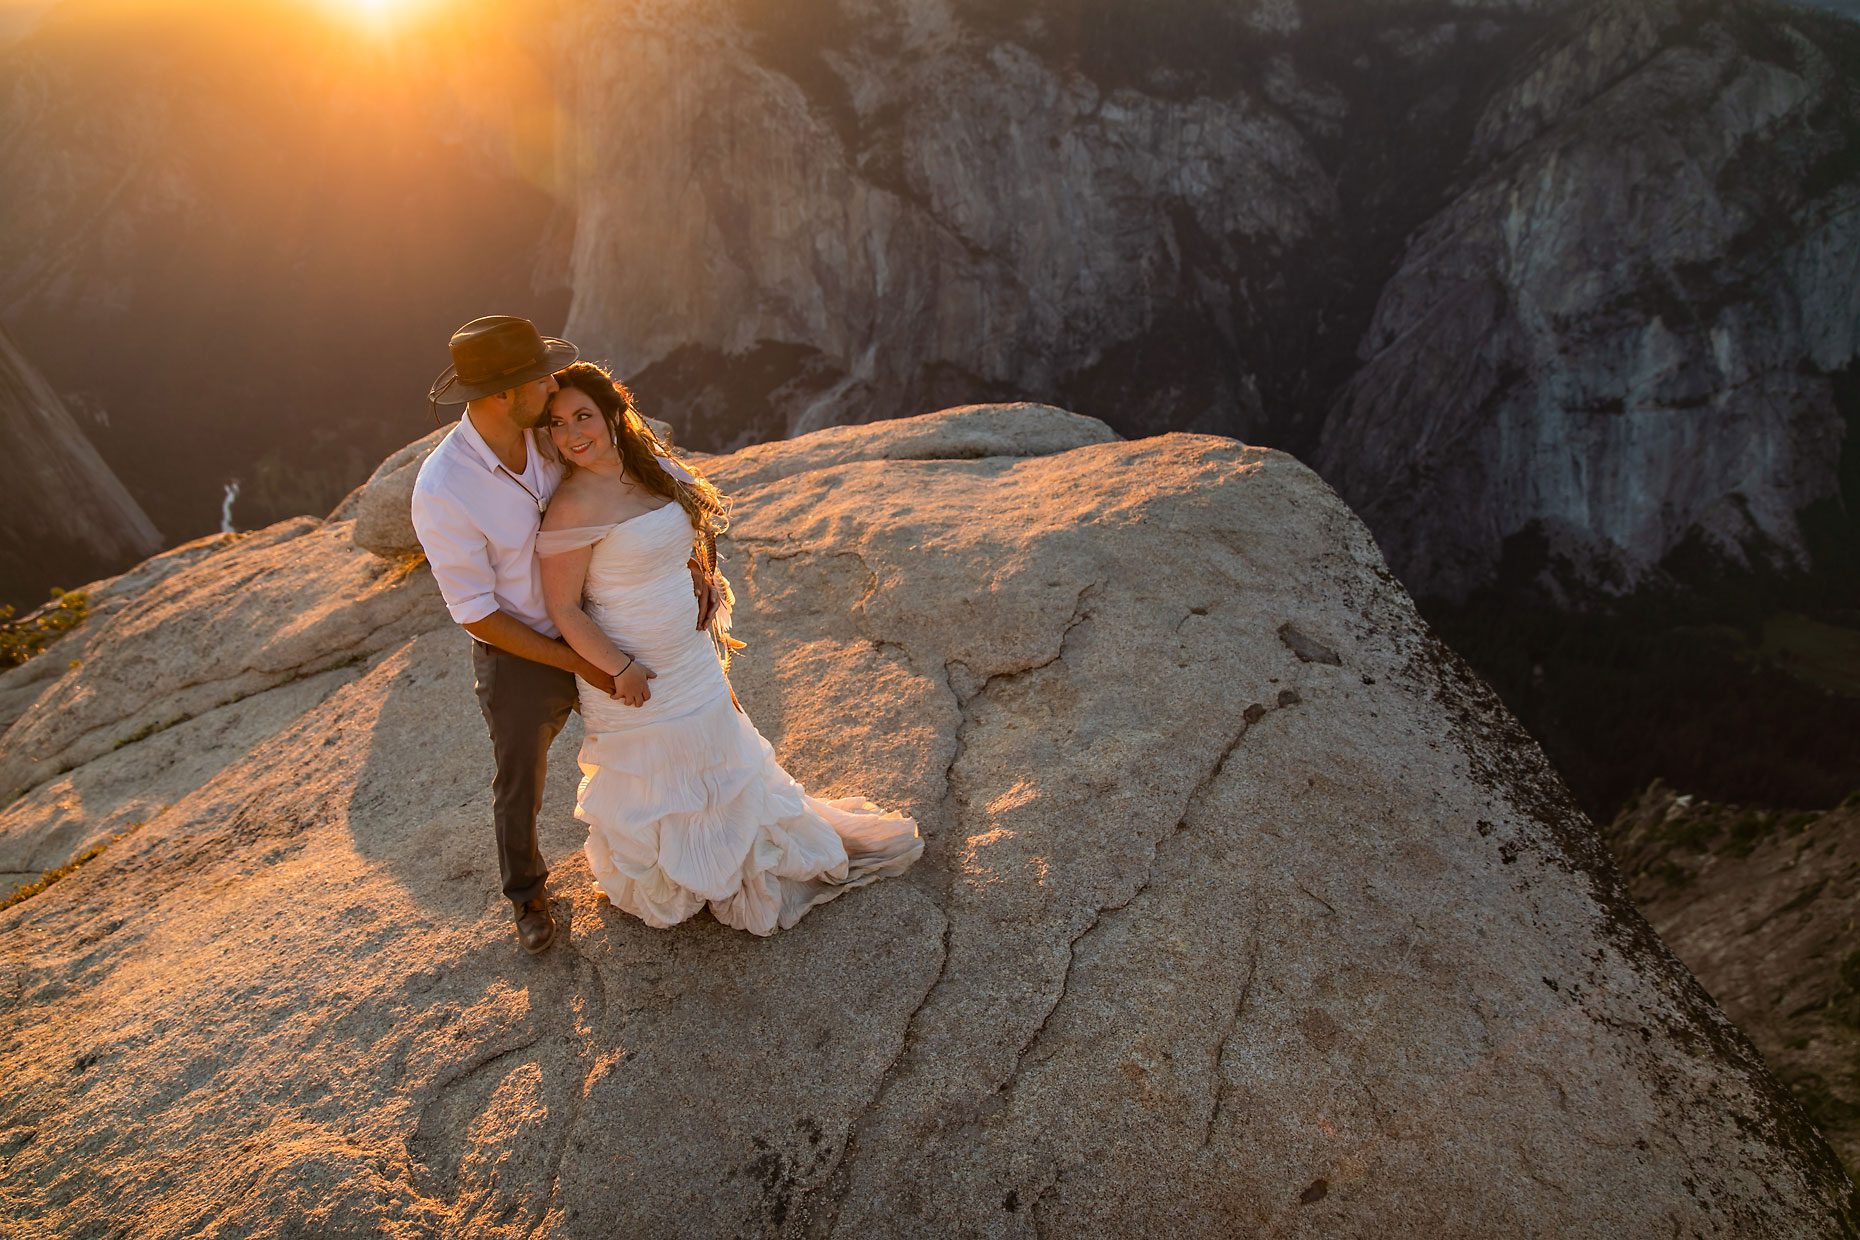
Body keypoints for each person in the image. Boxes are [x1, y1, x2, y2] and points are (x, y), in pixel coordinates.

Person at [536, 361, 924, 935]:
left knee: (720, 755)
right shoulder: (570, 507)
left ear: (615, 413)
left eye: (583, 416)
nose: (572, 434)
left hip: (688, 658)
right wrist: (620, 668)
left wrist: (699, 570)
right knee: (665, 775)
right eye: (557, 423)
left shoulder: (651, 468)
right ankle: (685, 873)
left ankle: (736, 855)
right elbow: (563, 608)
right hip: (633, 674)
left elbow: (693, 524)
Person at [410, 315, 705, 956]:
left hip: (606, 616)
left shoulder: (547, 432)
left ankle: (676, 841)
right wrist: (574, 658)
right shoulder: (444, 487)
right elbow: (475, 610)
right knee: (521, 774)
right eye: (538, 378)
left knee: (649, 735)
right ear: (502, 396)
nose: (553, 384)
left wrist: (691, 565)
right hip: (522, 643)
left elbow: (638, 477)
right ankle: (527, 897)